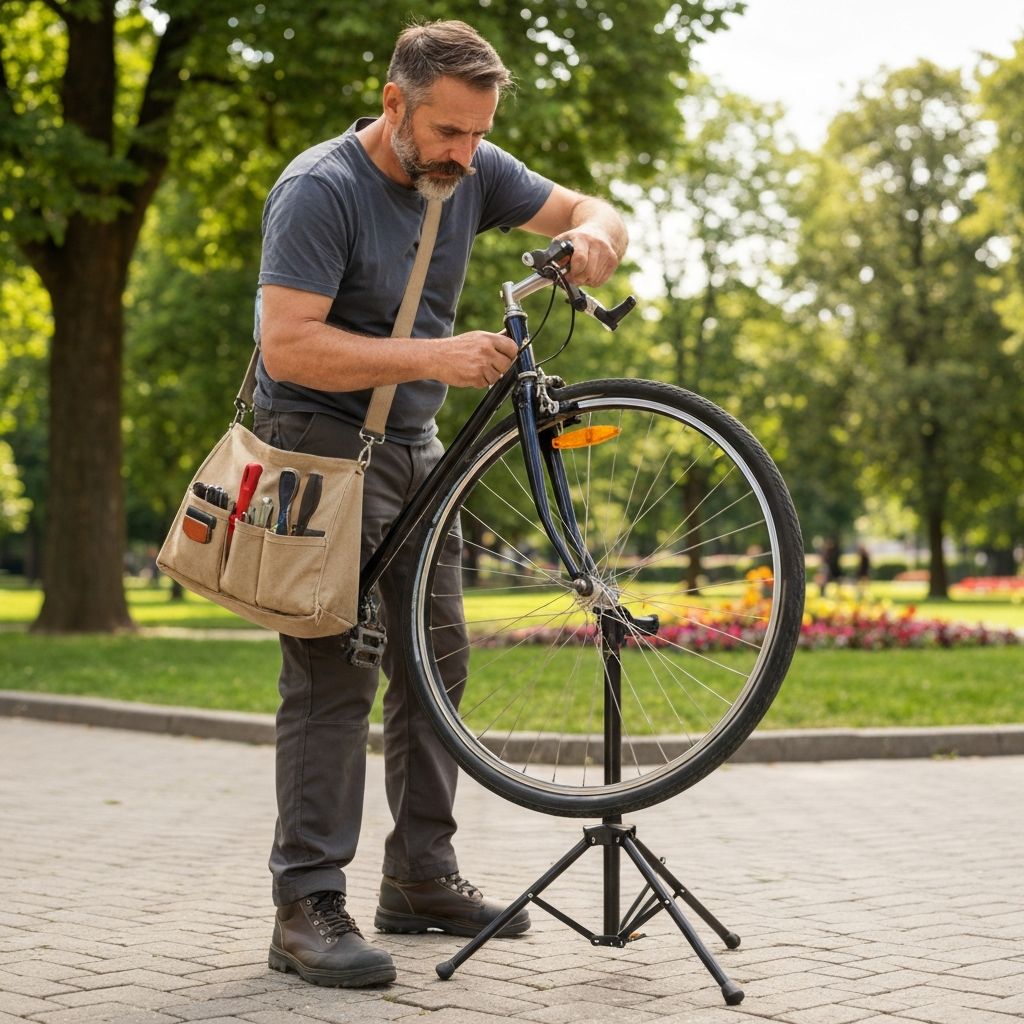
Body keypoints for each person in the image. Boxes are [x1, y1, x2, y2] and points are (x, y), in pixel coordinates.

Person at [252, 21, 627, 989]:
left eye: (479, 133)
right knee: (334, 672)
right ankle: (304, 906)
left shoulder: (472, 169)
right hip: (320, 445)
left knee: (435, 663)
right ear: (395, 104)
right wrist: (437, 356)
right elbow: (288, 344)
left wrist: (595, 236)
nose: (465, 153)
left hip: (418, 449)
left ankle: (418, 876)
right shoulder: (320, 188)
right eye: (449, 132)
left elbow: (589, 205)